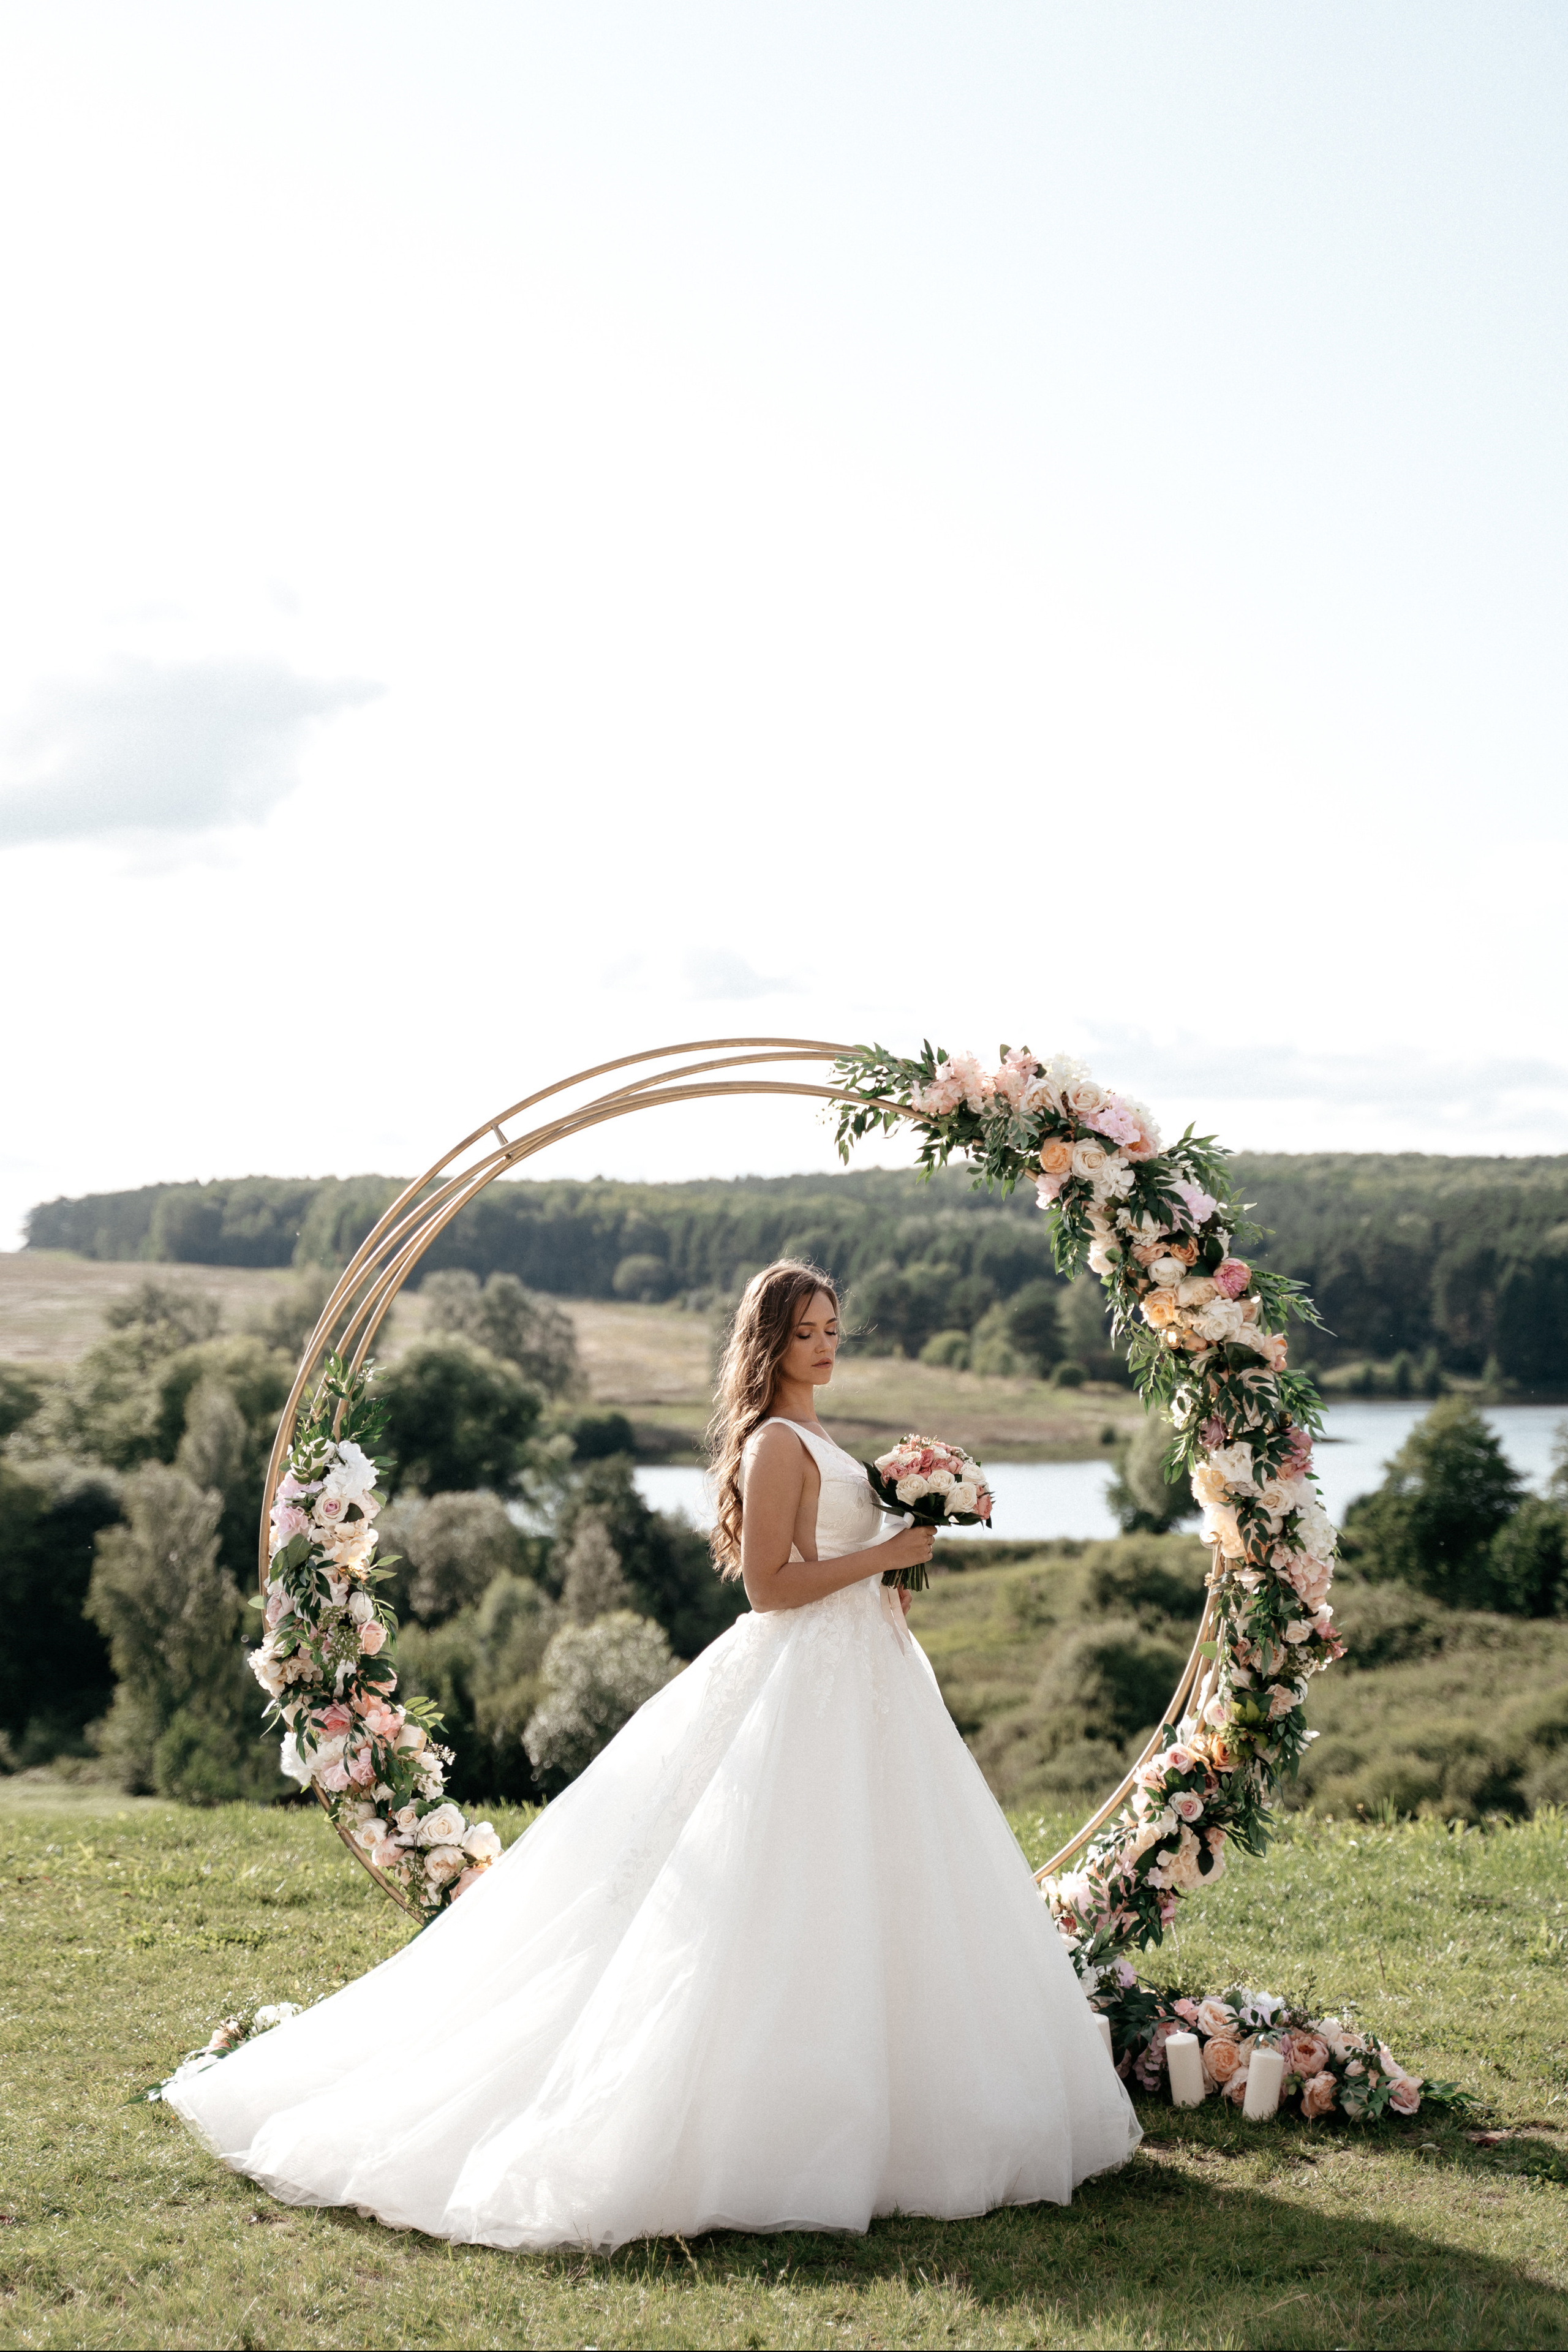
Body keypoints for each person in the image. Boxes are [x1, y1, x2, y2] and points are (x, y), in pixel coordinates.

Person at [168, 1259, 1139, 2247]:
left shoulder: (816, 1436)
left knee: (880, 1878)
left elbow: (820, 1568)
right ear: (770, 1342)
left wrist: (891, 1567)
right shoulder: (773, 1443)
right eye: (807, 1331)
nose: (827, 1344)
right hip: (803, 1682)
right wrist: (886, 1557)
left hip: (867, 1679)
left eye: (834, 1327)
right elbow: (768, 1586)